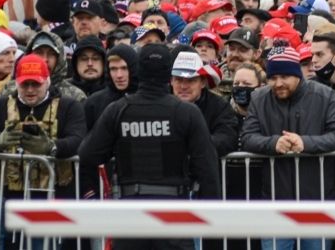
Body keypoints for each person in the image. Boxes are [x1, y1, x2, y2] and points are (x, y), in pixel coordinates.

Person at [79, 43, 220, 250]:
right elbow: (208, 172)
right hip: (174, 214)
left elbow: (88, 154)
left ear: (138, 71)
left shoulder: (118, 110)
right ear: (168, 74)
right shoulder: (186, 113)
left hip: (130, 214)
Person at [0, 53, 86, 250]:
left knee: (40, 238)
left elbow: (79, 141)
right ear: (16, 83)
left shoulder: (69, 106)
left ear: (47, 82)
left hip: (50, 195)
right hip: (6, 194)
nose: (30, 90)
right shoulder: (0, 105)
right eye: (25, 85)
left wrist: (51, 148)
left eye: (36, 84)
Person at [241, 45, 335, 250]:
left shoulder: (325, 96)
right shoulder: (259, 98)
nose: (278, 83)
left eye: (284, 77)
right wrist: (273, 143)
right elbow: (247, 137)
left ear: (297, 74)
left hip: (317, 201)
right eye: (273, 78)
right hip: (274, 202)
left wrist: (305, 143)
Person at [171, 50, 239, 157]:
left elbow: (227, 138)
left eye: (191, 80)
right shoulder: (160, 104)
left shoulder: (219, 106)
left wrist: (193, 144)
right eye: (179, 80)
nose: (183, 86)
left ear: (202, 82)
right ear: (171, 81)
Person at [84, 43, 139, 130]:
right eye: (113, 69)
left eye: (124, 68)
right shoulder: (93, 103)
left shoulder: (147, 99)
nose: (119, 75)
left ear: (133, 68)